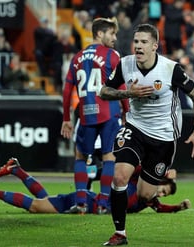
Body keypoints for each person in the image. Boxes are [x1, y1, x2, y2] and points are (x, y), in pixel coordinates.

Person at [99, 23, 194, 245]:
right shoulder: (125, 64)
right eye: (136, 41)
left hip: (163, 137)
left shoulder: (170, 69)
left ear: (155, 46)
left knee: (145, 196)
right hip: (135, 128)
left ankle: (154, 190)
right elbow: (104, 91)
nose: (138, 46)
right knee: (119, 176)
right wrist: (128, 93)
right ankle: (120, 234)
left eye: (143, 42)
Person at [61, 18, 128, 214]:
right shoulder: (112, 55)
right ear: (100, 34)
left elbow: (66, 90)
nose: (115, 38)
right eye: (112, 34)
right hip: (109, 112)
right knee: (109, 157)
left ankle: (81, 203)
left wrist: (66, 118)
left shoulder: (77, 57)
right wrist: (127, 112)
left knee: (81, 156)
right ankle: (103, 204)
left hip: (86, 113)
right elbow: (121, 86)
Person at [0, 158, 190, 214]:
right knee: (36, 206)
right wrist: (166, 168)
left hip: (88, 203)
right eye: (161, 188)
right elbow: (143, 166)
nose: (159, 194)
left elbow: (161, 208)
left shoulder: (148, 200)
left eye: (163, 193)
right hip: (86, 203)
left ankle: (15, 169)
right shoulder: (136, 180)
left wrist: (179, 207)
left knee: (44, 201)